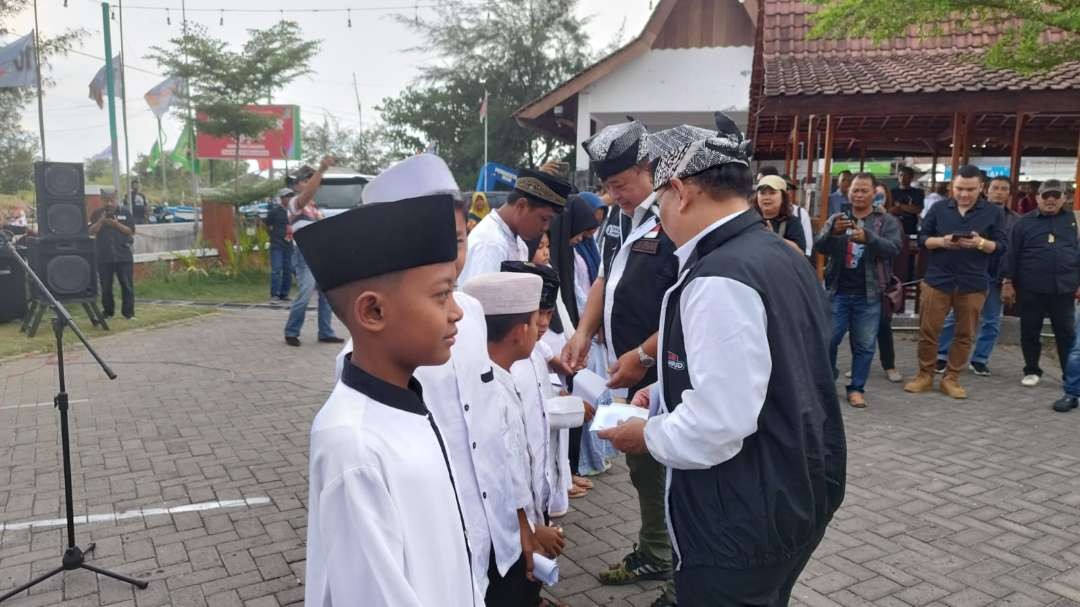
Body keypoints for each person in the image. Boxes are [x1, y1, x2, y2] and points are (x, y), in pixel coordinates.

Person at [600, 120, 845, 607]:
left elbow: (717, 424)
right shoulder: (778, 253)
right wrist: (666, 393)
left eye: (661, 202)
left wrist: (644, 434)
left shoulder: (719, 277)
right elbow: (771, 368)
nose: (661, 216)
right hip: (799, 486)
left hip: (742, 514)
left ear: (680, 191)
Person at [334, 154, 539, 604]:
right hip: (437, 556)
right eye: (433, 242)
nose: (451, 254)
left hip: (497, 542)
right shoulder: (365, 360)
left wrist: (522, 523)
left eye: (459, 238)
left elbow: (499, 429)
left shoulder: (472, 316)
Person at [299, 194, 475, 607]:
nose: (457, 313)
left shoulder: (405, 402)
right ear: (373, 312)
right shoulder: (353, 445)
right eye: (441, 295)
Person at [561, 120, 679, 602]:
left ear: (648, 170)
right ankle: (655, 549)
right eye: (606, 187)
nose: (613, 195)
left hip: (667, 368)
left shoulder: (674, 215)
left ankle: (682, 578)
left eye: (621, 185)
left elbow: (690, 303)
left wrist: (643, 355)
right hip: (628, 369)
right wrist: (583, 335)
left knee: (678, 474)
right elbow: (603, 282)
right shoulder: (616, 218)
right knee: (642, 465)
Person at [464, 271, 566, 606]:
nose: (540, 328)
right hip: (509, 538)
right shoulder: (493, 390)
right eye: (537, 320)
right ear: (522, 330)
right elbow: (504, 476)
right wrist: (533, 530)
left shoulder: (494, 377)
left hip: (522, 526)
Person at [905, 165, 1007, 399]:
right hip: (937, 280)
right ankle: (925, 375)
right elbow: (922, 239)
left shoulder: (993, 212)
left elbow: (1002, 247)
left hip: (973, 283)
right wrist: (942, 241)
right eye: (960, 188)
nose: (964, 194)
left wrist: (981, 243)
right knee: (928, 331)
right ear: (953, 186)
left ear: (981, 187)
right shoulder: (940, 208)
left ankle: (951, 378)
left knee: (965, 334)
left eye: (970, 189)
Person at [815, 173, 903, 407]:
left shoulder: (886, 221)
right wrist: (832, 233)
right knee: (829, 341)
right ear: (848, 192)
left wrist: (869, 238)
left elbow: (894, 248)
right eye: (855, 190)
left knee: (864, 345)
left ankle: (856, 388)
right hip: (837, 291)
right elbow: (819, 247)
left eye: (864, 190)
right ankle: (827, 385)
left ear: (875, 193)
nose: (859, 194)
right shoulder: (837, 218)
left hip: (870, 294)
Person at [935, 176, 1018, 376]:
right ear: (985, 190)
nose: (999, 192)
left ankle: (980, 359)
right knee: (954, 318)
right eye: (995, 188)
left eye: (1004, 189)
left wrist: (1008, 279)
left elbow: (1012, 251)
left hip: (997, 275)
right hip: (970, 274)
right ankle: (942, 355)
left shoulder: (1016, 220)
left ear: (1009, 194)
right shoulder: (973, 213)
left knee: (991, 321)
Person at [1001, 179, 1080, 388]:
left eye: (1056, 195)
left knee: (1066, 333)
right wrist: (1008, 282)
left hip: (1064, 288)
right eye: (1046, 196)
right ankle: (1032, 369)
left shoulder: (1075, 221)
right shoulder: (1023, 223)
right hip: (1031, 287)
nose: (1051, 200)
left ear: (1065, 197)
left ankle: (1069, 374)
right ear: (1038, 198)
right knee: (1030, 330)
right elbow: (1011, 254)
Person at [459, 168, 570, 282]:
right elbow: (480, 298)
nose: (545, 227)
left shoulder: (518, 242)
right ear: (521, 206)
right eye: (544, 219)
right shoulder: (491, 244)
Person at [284, 158, 344, 347]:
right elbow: (309, 191)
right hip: (305, 254)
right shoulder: (295, 202)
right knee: (306, 292)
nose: (312, 184)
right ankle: (291, 331)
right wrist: (321, 170)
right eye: (307, 180)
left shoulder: (314, 208)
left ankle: (325, 332)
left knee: (327, 296)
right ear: (297, 185)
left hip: (319, 253)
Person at [88, 191, 137, 320]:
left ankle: (129, 313)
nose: (109, 203)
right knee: (106, 286)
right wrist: (101, 221)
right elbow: (91, 231)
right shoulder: (97, 213)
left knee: (127, 285)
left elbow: (130, 231)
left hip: (123, 255)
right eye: (106, 200)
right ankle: (108, 312)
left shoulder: (125, 212)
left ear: (116, 199)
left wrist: (116, 224)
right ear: (101, 200)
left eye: (111, 200)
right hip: (104, 256)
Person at [753, 174, 806, 256]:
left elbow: (800, 253)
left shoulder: (792, 222)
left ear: (783, 197)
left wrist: (774, 237)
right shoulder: (750, 220)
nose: (766, 197)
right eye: (762, 193)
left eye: (772, 193)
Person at [265, 188, 294, 304]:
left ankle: (284, 294)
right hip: (277, 244)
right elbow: (267, 225)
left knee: (288, 269)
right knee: (276, 269)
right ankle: (274, 295)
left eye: (291, 196)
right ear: (282, 198)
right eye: (287, 196)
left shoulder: (293, 211)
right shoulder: (274, 212)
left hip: (289, 244)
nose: (289, 198)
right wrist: (273, 235)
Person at [890, 166, 924, 237]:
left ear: (911, 177)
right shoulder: (891, 192)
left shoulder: (917, 192)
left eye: (905, 175)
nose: (902, 178)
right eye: (900, 175)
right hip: (893, 227)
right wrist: (908, 208)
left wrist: (899, 205)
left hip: (910, 228)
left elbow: (917, 209)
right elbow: (890, 210)